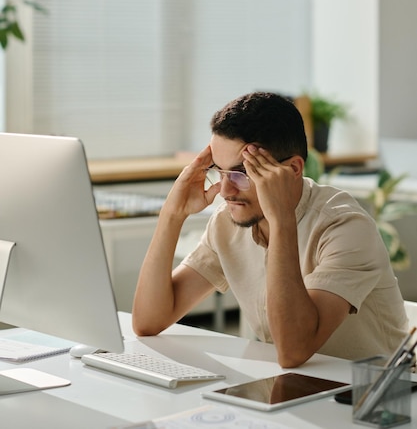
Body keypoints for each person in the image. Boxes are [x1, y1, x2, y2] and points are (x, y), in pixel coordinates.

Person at [132, 91, 408, 367]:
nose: (225, 191)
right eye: (220, 172)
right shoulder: (227, 224)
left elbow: (292, 351)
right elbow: (148, 321)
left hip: (371, 396)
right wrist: (172, 214)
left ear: (293, 169)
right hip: (294, 388)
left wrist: (281, 221)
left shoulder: (346, 227)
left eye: (241, 174)